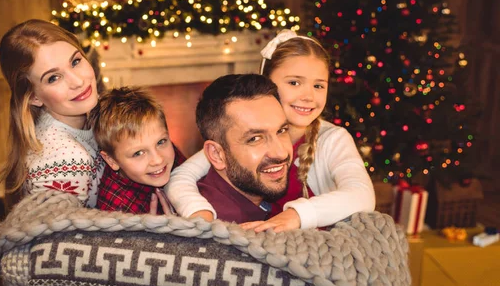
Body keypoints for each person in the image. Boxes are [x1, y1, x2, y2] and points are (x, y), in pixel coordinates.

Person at [164, 30, 375, 232]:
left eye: (319, 86)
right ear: (267, 83)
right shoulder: (238, 138)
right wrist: (200, 216)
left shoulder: (332, 139)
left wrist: (295, 215)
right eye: (294, 82)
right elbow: (181, 176)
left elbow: (362, 194)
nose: (309, 96)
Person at [0, 19, 104, 208]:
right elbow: (61, 237)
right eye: (53, 78)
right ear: (33, 97)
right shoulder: (66, 160)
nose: (78, 81)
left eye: (75, 61)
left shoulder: (86, 124)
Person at [194, 74, 292, 223]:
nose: (281, 153)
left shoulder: (262, 195)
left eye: (282, 130)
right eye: (255, 139)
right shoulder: (223, 233)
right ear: (217, 155)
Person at [90, 86, 185, 214]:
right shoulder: (118, 212)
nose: (157, 160)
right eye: (138, 153)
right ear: (111, 160)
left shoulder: (168, 154)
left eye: (161, 142)